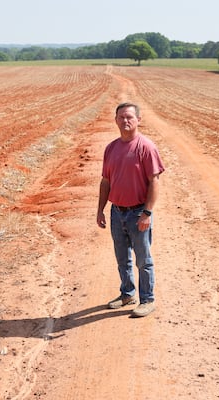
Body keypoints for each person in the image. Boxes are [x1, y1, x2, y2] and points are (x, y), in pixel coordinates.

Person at [96, 102, 165, 318]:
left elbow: (154, 182)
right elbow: (105, 181)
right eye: (121, 117)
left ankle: (147, 299)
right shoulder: (111, 148)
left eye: (129, 117)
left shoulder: (146, 147)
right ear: (115, 120)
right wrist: (101, 210)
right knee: (121, 257)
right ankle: (127, 294)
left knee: (143, 259)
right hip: (117, 212)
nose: (125, 121)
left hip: (138, 213)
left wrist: (147, 213)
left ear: (138, 120)